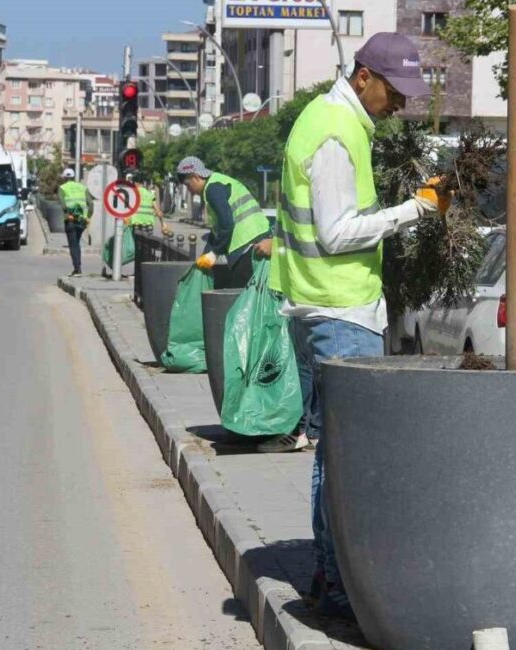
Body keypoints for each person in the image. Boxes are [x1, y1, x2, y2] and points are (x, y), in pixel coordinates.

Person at [265, 32, 439, 620]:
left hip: (318, 306)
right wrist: (415, 209)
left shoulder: (329, 120)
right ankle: (339, 584)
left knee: (330, 452)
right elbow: (338, 233)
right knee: (342, 456)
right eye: (395, 91)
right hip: (339, 310)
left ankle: (329, 577)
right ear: (364, 76)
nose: (401, 105)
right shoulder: (336, 132)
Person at [175, 157, 272, 286]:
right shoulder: (216, 183)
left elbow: (227, 225)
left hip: (248, 244)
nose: (189, 190)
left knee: (240, 294)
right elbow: (218, 229)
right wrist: (207, 254)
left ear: (196, 177)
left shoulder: (213, 190)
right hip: (257, 239)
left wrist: (215, 253)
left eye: (188, 185)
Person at [59, 168, 92, 277]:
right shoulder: (83, 187)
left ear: (64, 178)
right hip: (82, 220)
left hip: (71, 219)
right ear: (73, 177)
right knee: (77, 243)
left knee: (73, 245)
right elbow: (90, 203)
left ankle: (77, 269)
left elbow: (63, 205)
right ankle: (78, 267)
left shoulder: (62, 188)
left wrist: (67, 213)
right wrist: (88, 216)